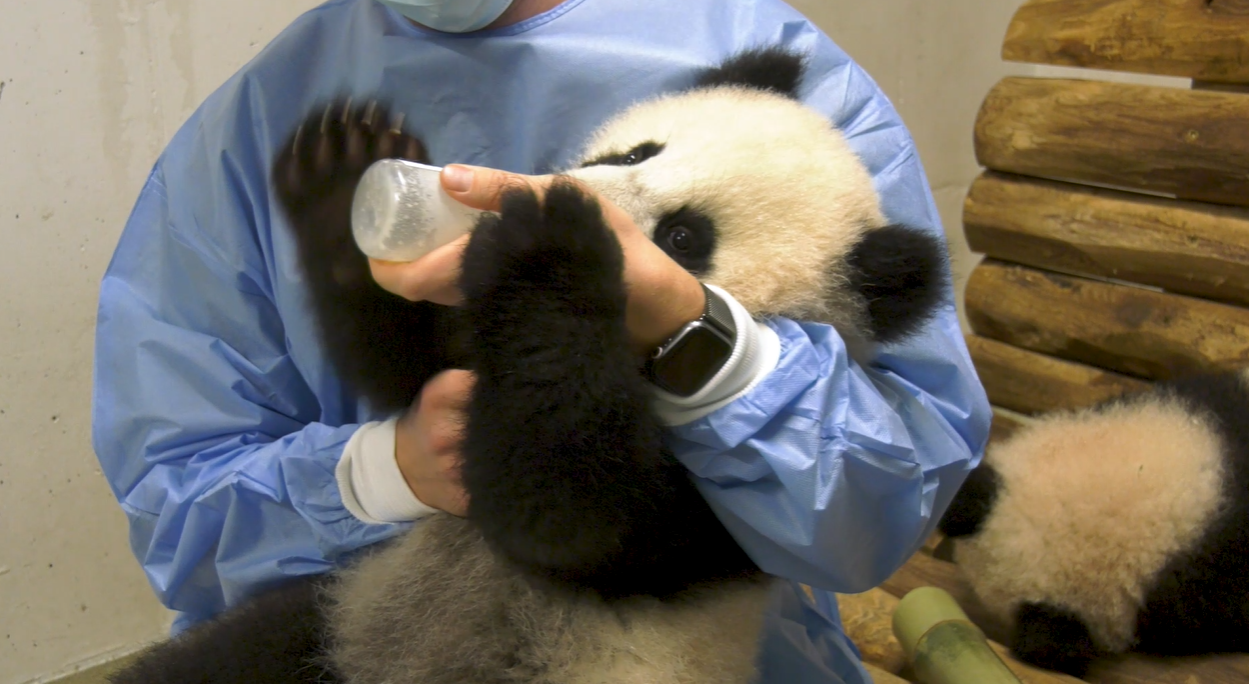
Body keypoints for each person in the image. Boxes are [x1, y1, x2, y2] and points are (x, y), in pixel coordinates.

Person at [90, 0, 991, 681]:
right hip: (382, 612)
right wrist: (380, 467)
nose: (613, 196)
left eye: (682, 235)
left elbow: (885, 482)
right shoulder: (260, 113)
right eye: (632, 160)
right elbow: (187, 488)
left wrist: (692, 330)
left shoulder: (765, 58)